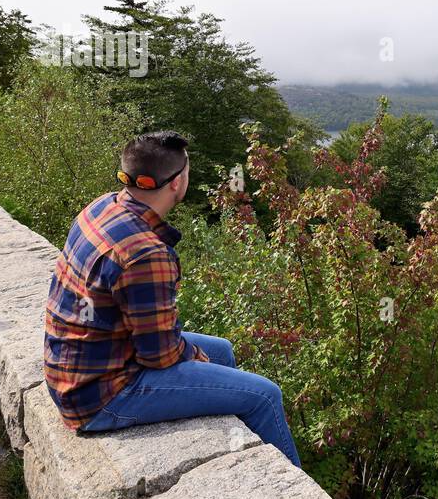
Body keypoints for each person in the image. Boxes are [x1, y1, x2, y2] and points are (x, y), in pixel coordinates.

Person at [43, 131, 301, 466]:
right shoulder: (145, 252)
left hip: (75, 369)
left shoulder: (102, 208)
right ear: (177, 183)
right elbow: (160, 355)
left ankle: (241, 452)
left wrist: (198, 357)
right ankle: (294, 497)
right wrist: (195, 356)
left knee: (221, 348)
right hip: (99, 398)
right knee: (265, 396)